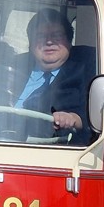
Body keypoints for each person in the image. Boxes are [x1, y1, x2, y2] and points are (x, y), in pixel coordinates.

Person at [13, 8, 93, 143]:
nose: (49, 42)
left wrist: (74, 118)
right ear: (31, 44)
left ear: (69, 41)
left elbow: (97, 113)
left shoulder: (85, 69)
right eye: (41, 36)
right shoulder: (14, 67)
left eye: (56, 36)